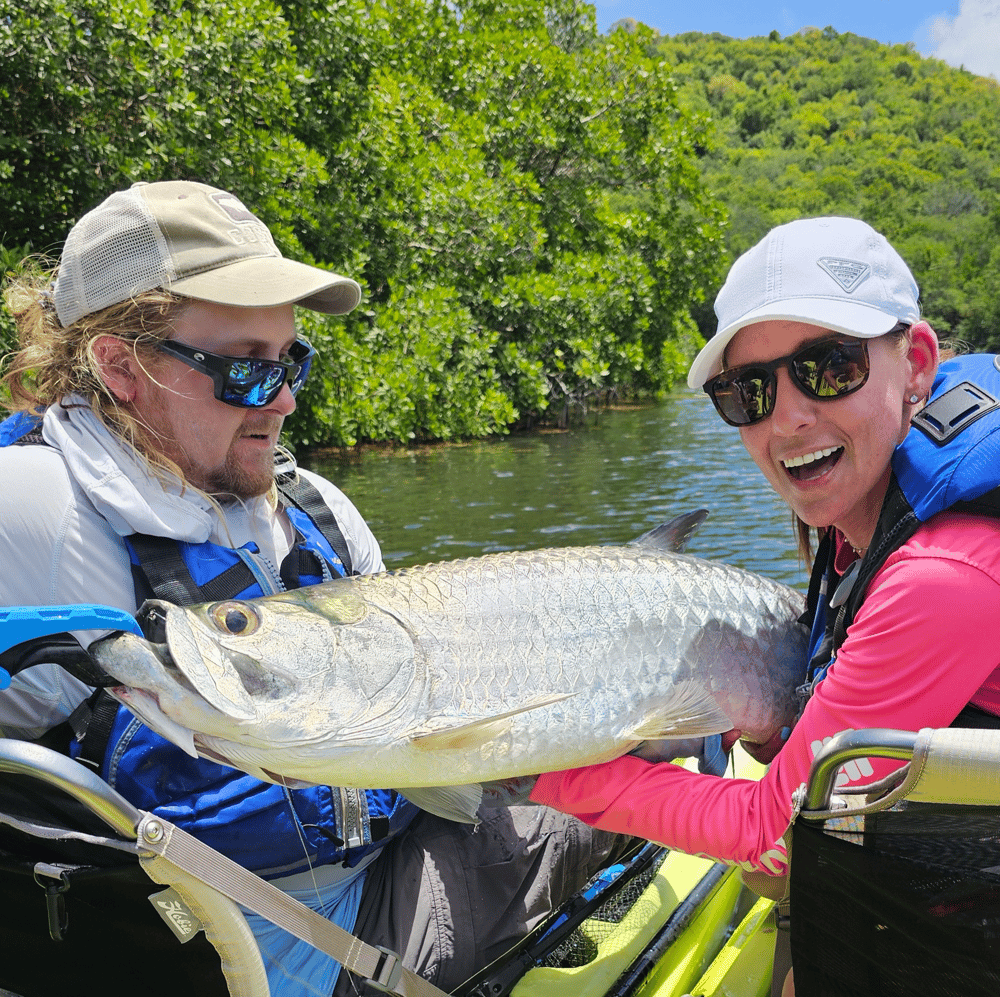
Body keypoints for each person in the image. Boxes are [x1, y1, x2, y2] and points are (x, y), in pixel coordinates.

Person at [0, 180, 630, 996]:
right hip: (282, 955)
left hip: (390, 859)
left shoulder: (313, 508)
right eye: (246, 372)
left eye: (291, 361)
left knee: (632, 724)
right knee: (673, 758)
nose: (287, 399)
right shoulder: (36, 512)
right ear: (119, 366)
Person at [524, 216, 1000, 993]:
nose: (786, 419)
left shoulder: (946, 573)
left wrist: (543, 776)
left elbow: (768, 834)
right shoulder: (869, 520)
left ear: (915, 362)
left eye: (829, 366)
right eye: (747, 391)